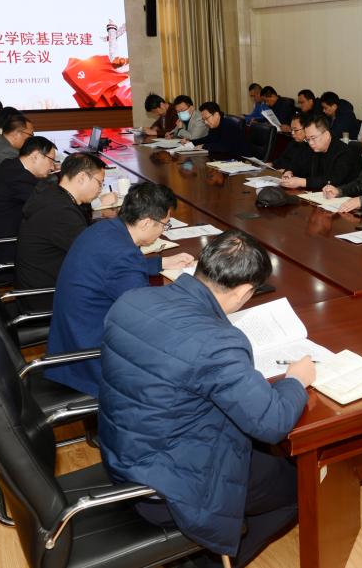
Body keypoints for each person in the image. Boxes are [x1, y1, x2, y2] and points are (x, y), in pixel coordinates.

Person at [97, 230, 314, 566]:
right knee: (300, 485)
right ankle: (210, 560)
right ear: (244, 291)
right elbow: (272, 422)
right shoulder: (219, 342)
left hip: (122, 452)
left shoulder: (131, 300)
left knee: (266, 460)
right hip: (170, 486)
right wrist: (296, 381)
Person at [44, 182, 194, 397]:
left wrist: (161, 263)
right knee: (181, 368)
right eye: (164, 224)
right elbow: (146, 317)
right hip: (91, 357)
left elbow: (111, 269)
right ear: (146, 223)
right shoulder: (124, 256)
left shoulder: (105, 228)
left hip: (70, 338)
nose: (163, 230)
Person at [15, 153, 109, 310]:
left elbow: (84, 235)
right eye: (100, 183)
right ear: (81, 178)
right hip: (48, 297)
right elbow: (97, 255)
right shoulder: (60, 213)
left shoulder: (52, 192)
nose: (101, 189)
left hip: (45, 282)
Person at [0, 135, 58, 267]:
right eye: (51, 160)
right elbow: (50, 205)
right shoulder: (19, 179)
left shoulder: (11, 166)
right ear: (35, 156)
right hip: (0, 249)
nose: (53, 167)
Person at [279, 113, 360, 190]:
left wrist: (302, 182)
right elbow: (298, 164)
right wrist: (289, 171)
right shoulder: (312, 148)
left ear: (327, 135)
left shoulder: (344, 152)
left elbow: (334, 179)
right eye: (308, 139)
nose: (310, 143)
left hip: (342, 196)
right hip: (316, 193)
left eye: (313, 138)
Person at [272, 111, 312, 178]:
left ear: (306, 128)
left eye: (296, 130)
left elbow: (303, 170)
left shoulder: (312, 146)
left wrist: (287, 170)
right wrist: (272, 164)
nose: (292, 133)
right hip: (282, 174)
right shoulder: (294, 142)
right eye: (291, 129)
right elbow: (282, 158)